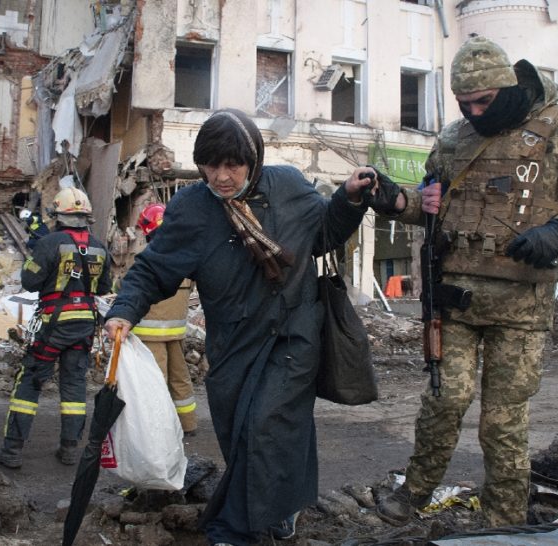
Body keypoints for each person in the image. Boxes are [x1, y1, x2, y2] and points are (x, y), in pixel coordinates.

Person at [371, 36, 558, 528]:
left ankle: (504, 517)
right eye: (463, 103)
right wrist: (395, 201)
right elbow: (433, 204)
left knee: (502, 421)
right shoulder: (454, 139)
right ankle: (414, 491)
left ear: (508, 87)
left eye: (484, 101)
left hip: (520, 307)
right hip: (454, 299)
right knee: (443, 400)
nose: (474, 111)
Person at [103, 109, 388, 545]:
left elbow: (325, 233)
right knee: (242, 434)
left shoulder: (289, 186)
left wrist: (348, 199)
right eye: (210, 165)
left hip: (294, 334)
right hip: (234, 344)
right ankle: (280, 509)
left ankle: (235, 530)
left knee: (266, 424)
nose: (221, 176)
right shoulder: (192, 209)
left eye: (232, 165)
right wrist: (124, 310)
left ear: (253, 159)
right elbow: (154, 269)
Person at [0, 187, 112, 468]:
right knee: (74, 385)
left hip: (53, 324)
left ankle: (12, 451)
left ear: (58, 214)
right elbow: (104, 287)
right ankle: (69, 449)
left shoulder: (49, 242)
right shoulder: (99, 246)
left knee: (30, 382)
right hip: (84, 325)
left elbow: (30, 282)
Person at [131, 203, 198, 435]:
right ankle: (188, 424)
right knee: (180, 378)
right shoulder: (186, 261)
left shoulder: (146, 260)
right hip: (177, 331)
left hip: (149, 335)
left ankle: (158, 430)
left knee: (156, 383)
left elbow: (131, 292)